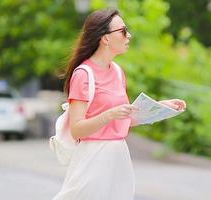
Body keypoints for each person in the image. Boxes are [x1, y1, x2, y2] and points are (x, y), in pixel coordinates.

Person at [53, 8, 186, 200]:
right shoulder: (83, 75)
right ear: (105, 38)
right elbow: (76, 129)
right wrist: (109, 115)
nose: (128, 35)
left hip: (119, 158)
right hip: (93, 159)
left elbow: (125, 118)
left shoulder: (117, 71)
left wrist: (161, 107)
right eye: (123, 31)